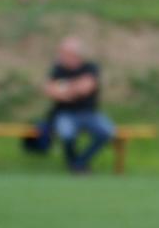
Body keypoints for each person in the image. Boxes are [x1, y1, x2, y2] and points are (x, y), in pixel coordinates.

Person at [44, 37, 115, 174]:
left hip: (89, 113)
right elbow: (50, 90)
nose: (61, 55)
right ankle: (75, 165)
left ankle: (79, 163)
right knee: (66, 134)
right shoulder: (57, 69)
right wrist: (74, 88)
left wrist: (64, 88)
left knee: (107, 132)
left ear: (75, 54)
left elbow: (86, 88)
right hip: (65, 113)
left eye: (64, 52)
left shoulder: (90, 67)